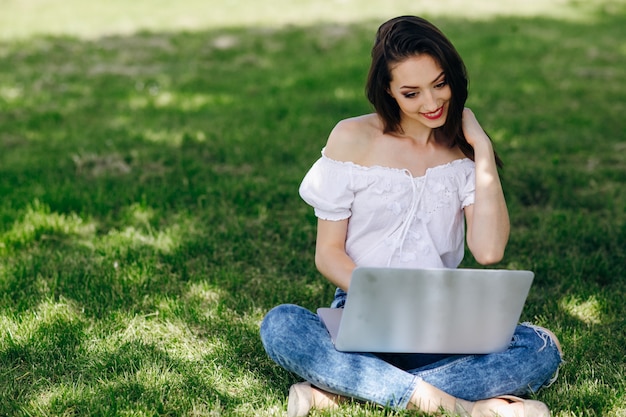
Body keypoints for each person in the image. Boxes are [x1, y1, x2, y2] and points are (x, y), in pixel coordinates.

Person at [260, 15, 562, 417]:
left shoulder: (463, 152)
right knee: (281, 325)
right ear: (388, 91)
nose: (432, 103)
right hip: (363, 306)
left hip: (441, 315)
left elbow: (488, 251)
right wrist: (389, 300)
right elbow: (328, 254)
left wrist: (483, 149)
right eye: (411, 92)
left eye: (440, 84)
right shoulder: (352, 138)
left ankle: (347, 390)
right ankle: (462, 406)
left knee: (538, 349)